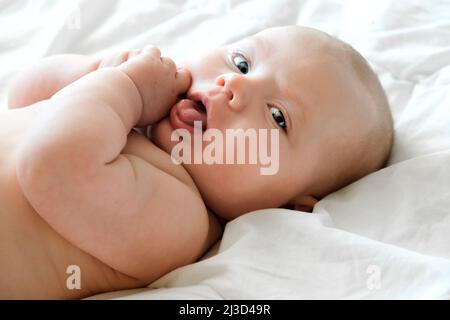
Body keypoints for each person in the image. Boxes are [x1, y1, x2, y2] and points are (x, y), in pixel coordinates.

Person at [0, 26, 393, 299]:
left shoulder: (181, 219)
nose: (234, 85)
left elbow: (50, 165)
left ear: (290, 205)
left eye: (277, 117)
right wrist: (96, 72)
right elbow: (22, 97)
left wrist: (125, 89)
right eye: (242, 63)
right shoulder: (127, 117)